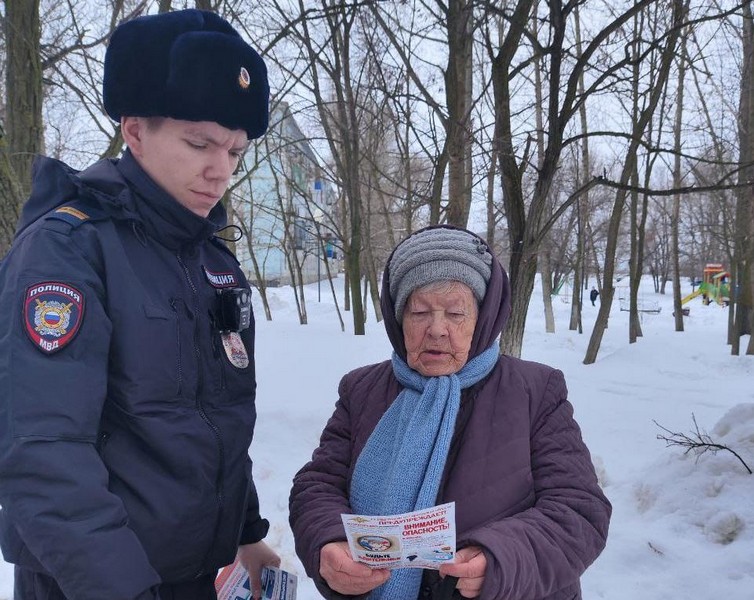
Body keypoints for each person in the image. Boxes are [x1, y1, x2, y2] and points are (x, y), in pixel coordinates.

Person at [0, 10, 280, 600]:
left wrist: (247, 531)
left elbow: (215, 418)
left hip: (192, 576)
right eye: (199, 143)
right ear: (134, 130)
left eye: (235, 151)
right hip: (90, 582)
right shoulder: (68, 252)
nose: (219, 171)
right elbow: (44, 454)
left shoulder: (213, 263)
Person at [289, 225, 611, 600]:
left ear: (484, 317)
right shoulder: (361, 390)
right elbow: (318, 485)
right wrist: (328, 542)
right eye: (419, 312)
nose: (437, 330)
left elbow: (578, 512)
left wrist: (500, 560)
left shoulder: (535, 391)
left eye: (456, 312)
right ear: (397, 319)